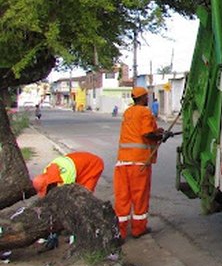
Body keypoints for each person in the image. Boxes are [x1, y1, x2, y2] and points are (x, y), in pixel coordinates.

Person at [113, 86, 165, 239]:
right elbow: (146, 134)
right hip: (139, 163)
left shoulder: (128, 112)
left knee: (122, 197)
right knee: (139, 196)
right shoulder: (144, 112)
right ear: (143, 98)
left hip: (122, 162)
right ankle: (138, 229)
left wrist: (158, 132)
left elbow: (137, 132)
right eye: (146, 97)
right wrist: (160, 136)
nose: (148, 99)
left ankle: (121, 231)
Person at [32, 151, 105, 197]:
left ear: (48, 185)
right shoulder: (47, 170)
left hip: (93, 164)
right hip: (77, 160)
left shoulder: (66, 180)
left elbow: (69, 194)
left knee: (85, 193)